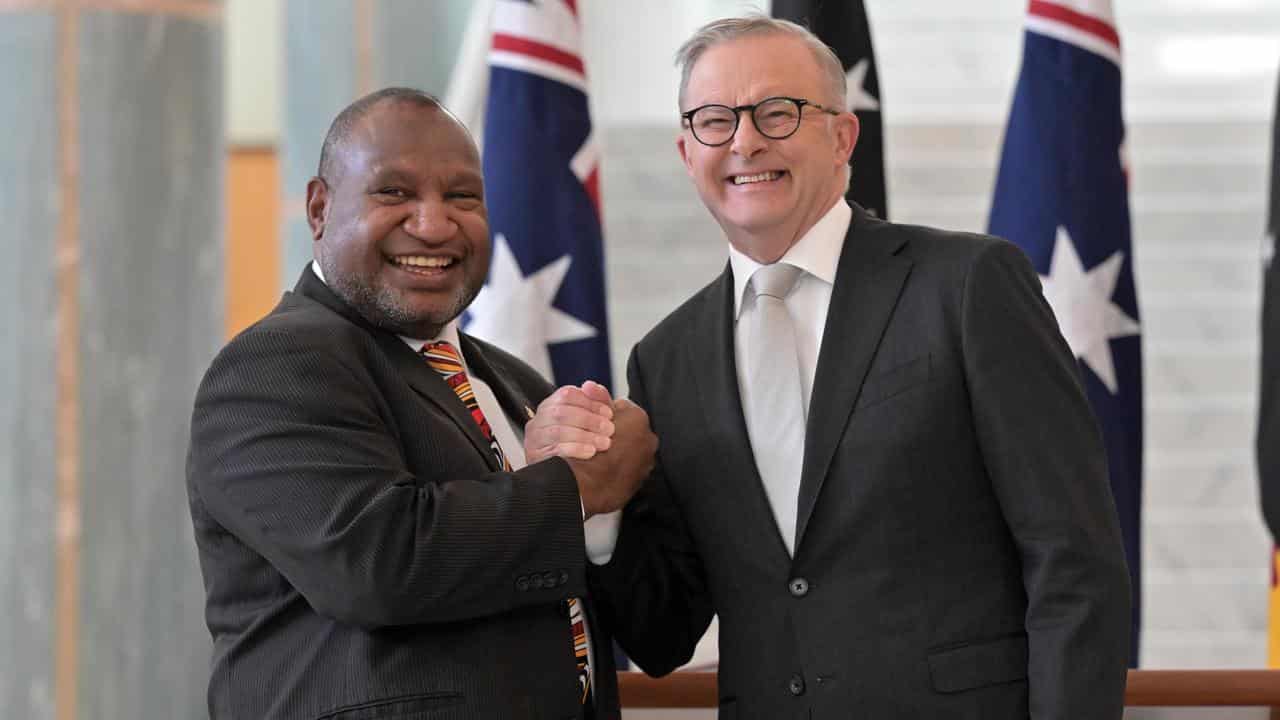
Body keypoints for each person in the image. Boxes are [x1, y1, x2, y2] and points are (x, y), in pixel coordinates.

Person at [581, 16, 1131, 718]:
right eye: (715, 120)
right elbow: (662, 634)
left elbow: (1074, 562)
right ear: (688, 154)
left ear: (842, 136)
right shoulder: (666, 360)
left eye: (777, 113)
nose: (746, 140)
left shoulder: (968, 286)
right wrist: (597, 515)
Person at [186, 87, 654, 720]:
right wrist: (578, 488)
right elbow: (377, 564)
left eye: (462, 196)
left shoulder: (514, 381)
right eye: (394, 193)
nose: (433, 224)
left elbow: (645, 626)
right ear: (319, 209)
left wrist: (610, 513)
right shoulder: (273, 366)